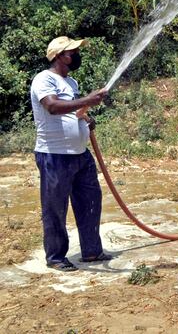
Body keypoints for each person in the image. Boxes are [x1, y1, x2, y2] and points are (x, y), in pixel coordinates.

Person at [30, 36, 111, 271]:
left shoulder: (71, 82)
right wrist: (88, 100)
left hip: (80, 155)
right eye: (72, 51)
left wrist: (86, 117)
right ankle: (55, 257)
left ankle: (92, 251)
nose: (77, 54)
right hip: (54, 155)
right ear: (59, 56)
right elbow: (53, 107)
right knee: (55, 207)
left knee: (90, 201)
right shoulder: (43, 79)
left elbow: (72, 112)